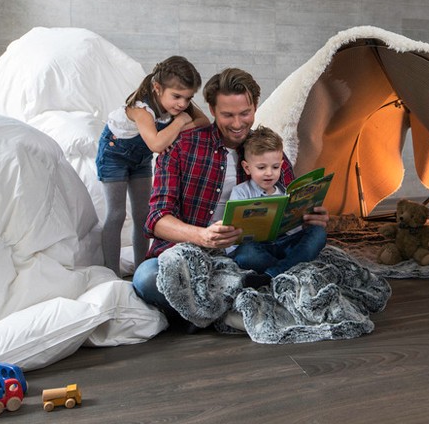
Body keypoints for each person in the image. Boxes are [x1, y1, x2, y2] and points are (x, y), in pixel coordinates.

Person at [131, 68, 330, 317]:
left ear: (255, 107)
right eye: (227, 115)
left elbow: (290, 201)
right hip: (191, 250)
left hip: (250, 254)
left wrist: (311, 214)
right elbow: (157, 219)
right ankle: (248, 298)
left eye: (245, 113)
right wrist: (203, 236)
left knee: (307, 241)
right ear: (212, 111)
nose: (237, 124)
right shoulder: (181, 147)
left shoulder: (267, 150)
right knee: (147, 280)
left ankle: (226, 299)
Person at [96, 56, 209, 277]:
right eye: (177, 97)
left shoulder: (177, 103)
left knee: (143, 215)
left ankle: (140, 269)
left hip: (140, 160)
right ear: (158, 88)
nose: (183, 105)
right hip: (114, 155)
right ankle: (111, 272)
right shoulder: (141, 109)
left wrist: (173, 130)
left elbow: (204, 122)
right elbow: (157, 144)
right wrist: (178, 123)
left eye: (188, 98)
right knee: (117, 214)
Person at [227, 126, 327, 277]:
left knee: (318, 233)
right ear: (247, 168)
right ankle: (289, 267)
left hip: (284, 244)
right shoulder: (240, 192)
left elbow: (295, 231)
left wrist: (305, 218)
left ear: (281, 165)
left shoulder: (286, 192)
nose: (269, 173)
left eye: (275, 167)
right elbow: (234, 234)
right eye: (261, 167)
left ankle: (272, 274)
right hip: (258, 247)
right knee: (246, 255)